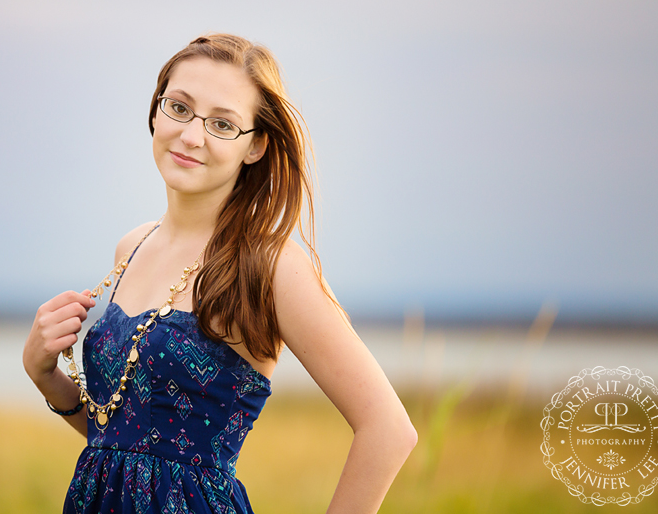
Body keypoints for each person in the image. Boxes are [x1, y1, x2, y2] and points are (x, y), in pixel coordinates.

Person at [23, 34, 417, 513]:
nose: (192, 135)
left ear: (255, 147)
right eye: (180, 108)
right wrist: (42, 374)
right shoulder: (132, 246)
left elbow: (388, 428)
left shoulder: (270, 266)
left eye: (223, 124)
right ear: (155, 112)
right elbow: (127, 439)